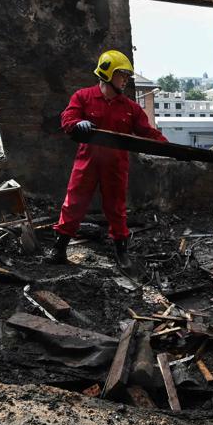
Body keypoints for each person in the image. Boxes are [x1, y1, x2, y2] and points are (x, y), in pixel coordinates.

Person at [48, 50, 168, 270]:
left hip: (115, 165)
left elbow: (147, 132)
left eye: (126, 76)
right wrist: (77, 124)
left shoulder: (130, 108)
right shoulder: (83, 97)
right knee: (73, 203)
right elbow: (68, 118)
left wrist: (168, 147)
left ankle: (121, 253)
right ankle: (59, 248)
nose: (125, 80)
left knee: (116, 208)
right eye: (122, 74)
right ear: (108, 73)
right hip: (87, 161)